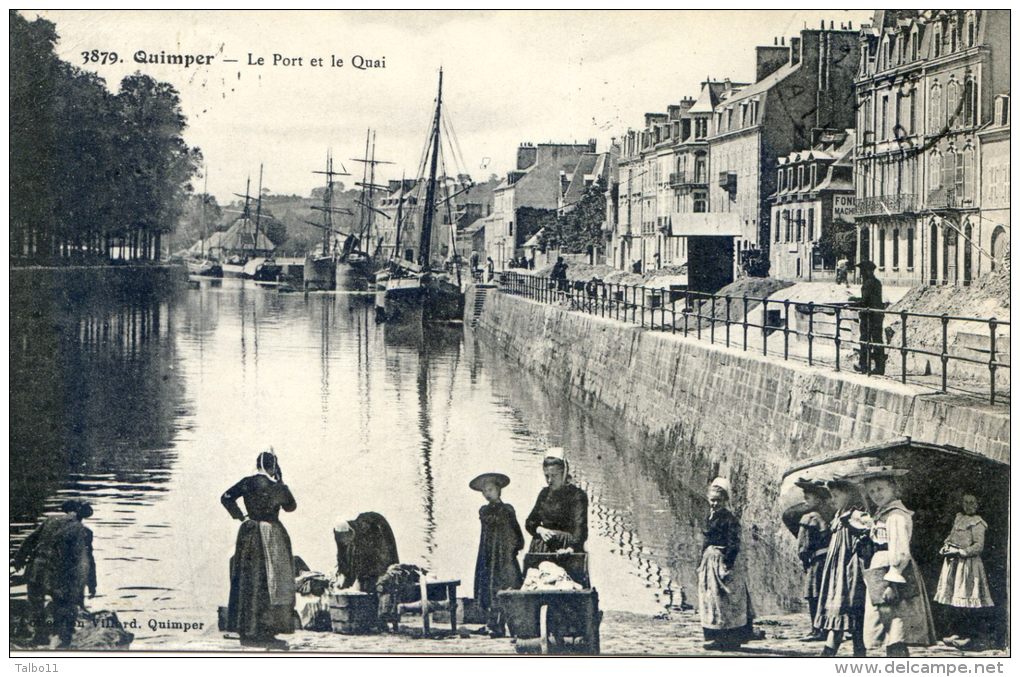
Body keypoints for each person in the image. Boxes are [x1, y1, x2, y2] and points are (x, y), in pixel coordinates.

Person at [850, 463, 935, 657]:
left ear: (893, 488)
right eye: (871, 491)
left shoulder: (896, 516)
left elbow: (901, 550)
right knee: (888, 628)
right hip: (879, 572)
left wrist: (892, 581)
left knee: (896, 628)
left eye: (880, 489)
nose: (876, 494)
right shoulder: (883, 514)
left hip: (893, 573)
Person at [221, 449, 297, 647]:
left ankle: (246, 629)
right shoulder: (276, 486)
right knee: (271, 583)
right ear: (272, 467)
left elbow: (226, 497)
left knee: (248, 580)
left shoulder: (247, 481)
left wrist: (241, 516)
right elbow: (291, 507)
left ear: (257, 465)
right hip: (271, 534)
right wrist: (280, 481)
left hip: (248, 533)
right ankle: (266, 630)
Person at [12, 499, 96, 647]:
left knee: (36, 604)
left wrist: (18, 560)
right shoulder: (84, 531)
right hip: (58, 576)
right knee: (65, 605)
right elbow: (86, 562)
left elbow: (29, 540)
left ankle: (40, 636)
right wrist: (91, 584)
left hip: (36, 571)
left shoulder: (50, 520)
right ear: (82, 516)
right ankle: (63, 639)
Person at [698, 477, 755, 651]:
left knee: (726, 601)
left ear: (725, 501)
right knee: (712, 600)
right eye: (712, 500)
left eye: (718, 501)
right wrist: (701, 561)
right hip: (710, 562)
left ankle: (731, 638)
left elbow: (733, 544)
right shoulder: (712, 516)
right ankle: (716, 637)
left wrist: (727, 565)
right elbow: (706, 541)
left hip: (722, 562)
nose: (714, 504)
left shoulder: (730, 519)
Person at [816, 476, 869, 657]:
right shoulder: (838, 516)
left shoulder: (856, 514)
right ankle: (845, 652)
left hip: (849, 570)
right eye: (832, 496)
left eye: (836, 495)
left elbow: (866, 535)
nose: (833, 499)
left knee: (850, 609)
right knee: (839, 610)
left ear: (848, 494)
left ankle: (846, 653)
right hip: (836, 571)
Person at [934, 493, 994, 650]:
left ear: (978, 504)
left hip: (968, 565)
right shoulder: (959, 518)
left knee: (968, 597)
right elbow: (951, 536)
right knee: (956, 599)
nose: (969, 505)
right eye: (966, 502)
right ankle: (957, 632)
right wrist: (946, 546)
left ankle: (970, 636)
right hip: (954, 564)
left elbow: (978, 546)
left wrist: (960, 552)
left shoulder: (978, 523)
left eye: (972, 502)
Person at [470, 472, 524, 637]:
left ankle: (513, 625)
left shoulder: (508, 510)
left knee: (507, 584)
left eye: (491, 489)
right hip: (488, 555)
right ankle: (493, 624)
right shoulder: (485, 511)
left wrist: (513, 548)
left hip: (504, 555)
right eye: (484, 491)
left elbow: (516, 533)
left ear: (499, 490)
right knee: (488, 585)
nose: (487, 494)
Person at [525, 448, 588, 554]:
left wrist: (570, 549)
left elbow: (580, 528)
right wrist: (540, 530)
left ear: (564, 474)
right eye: (547, 476)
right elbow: (530, 522)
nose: (549, 480)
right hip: (543, 547)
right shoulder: (544, 494)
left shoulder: (577, 496)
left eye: (554, 476)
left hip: (567, 547)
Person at [795, 478, 832, 642]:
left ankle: (816, 629)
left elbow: (803, 545)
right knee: (825, 594)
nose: (805, 501)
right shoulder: (827, 516)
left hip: (816, 562)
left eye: (807, 498)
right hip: (828, 560)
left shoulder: (809, 518)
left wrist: (803, 558)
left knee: (814, 595)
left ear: (817, 499)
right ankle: (826, 627)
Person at [333, 512, 399, 593]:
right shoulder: (339, 533)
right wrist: (342, 574)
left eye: (347, 539)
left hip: (380, 542)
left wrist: (359, 580)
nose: (345, 543)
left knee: (375, 582)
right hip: (367, 545)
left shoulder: (365, 529)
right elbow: (341, 556)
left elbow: (367, 559)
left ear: (350, 532)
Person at [852, 260, 886, 375]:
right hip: (877, 315)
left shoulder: (868, 283)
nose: (861, 274)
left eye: (862, 271)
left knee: (865, 339)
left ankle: (864, 365)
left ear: (867, 271)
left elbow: (865, 302)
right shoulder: (876, 282)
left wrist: (853, 303)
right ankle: (879, 367)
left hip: (869, 316)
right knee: (877, 340)